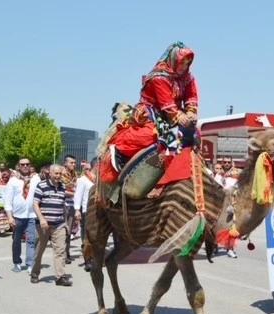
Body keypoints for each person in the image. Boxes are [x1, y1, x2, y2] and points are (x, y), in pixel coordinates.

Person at [99, 41, 198, 185]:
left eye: (187, 63)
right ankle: (119, 148)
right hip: (151, 112)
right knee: (151, 135)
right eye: (181, 62)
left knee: (194, 136)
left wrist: (191, 112)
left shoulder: (188, 77)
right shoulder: (159, 77)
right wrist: (180, 116)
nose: (184, 66)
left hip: (173, 114)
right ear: (173, 60)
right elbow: (166, 104)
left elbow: (191, 97)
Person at [31, 164, 72, 287]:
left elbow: (62, 206)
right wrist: (42, 219)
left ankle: (60, 277)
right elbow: (35, 204)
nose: (58, 176)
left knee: (60, 251)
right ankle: (35, 272)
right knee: (39, 251)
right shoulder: (41, 186)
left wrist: (65, 222)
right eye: (56, 173)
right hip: (43, 225)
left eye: (60, 174)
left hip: (58, 224)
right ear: (50, 173)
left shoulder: (62, 187)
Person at [5, 157, 41, 273]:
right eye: (22, 164)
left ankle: (30, 263)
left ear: (30, 165)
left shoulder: (36, 178)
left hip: (31, 215)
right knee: (16, 241)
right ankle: (17, 262)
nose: (25, 166)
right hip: (17, 216)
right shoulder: (13, 180)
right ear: (18, 166)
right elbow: (8, 200)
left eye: (27, 164)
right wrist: (10, 216)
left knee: (31, 240)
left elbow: (40, 195)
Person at [74, 158, 96, 271]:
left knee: (97, 237)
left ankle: (96, 258)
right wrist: (77, 210)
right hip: (87, 211)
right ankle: (87, 260)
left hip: (99, 211)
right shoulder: (83, 179)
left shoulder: (100, 179)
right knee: (87, 236)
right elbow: (78, 195)